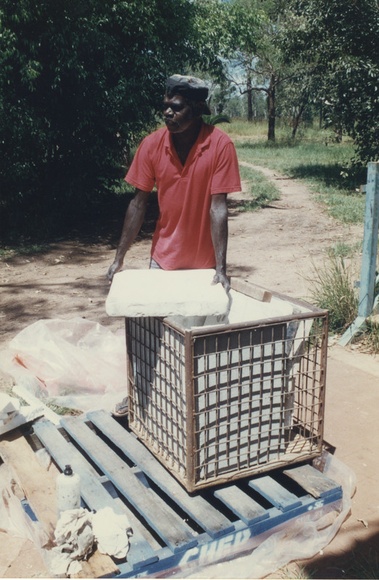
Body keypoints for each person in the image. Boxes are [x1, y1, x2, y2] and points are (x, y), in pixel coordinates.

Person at [107, 74, 241, 416]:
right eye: (165, 105)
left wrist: (222, 269)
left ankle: (194, 410)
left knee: (198, 340)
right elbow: (138, 204)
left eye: (176, 107)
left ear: (196, 109)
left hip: (203, 264)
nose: (167, 112)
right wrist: (118, 258)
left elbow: (218, 207)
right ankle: (139, 397)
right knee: (147, 334)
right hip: (163, 259)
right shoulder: (152, 145)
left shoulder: (219, 145)